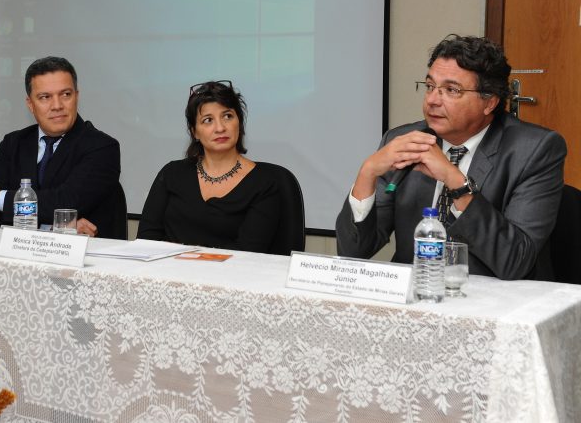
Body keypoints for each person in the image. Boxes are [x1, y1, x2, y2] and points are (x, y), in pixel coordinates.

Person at [336, 34, 566, 280]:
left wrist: (453, 180)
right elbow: (353, 252)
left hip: (491, 302)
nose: (433, 100)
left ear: (489, 102)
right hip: (416, 296)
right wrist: (367, 172)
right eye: (430, 86)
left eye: (451, 90)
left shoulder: (534, 150)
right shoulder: (404, 141)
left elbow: (515, 262)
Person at [0, 56, 121, 237]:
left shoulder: (102, 147)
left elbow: (66, 201)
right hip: (19, 255)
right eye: (45, 97)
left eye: (66, 95)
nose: (57, 106)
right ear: (30, 104)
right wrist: (52, 227)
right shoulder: (13, 143)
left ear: (76, 97)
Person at [137, 81, 281, 252]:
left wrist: (185, 252)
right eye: (208, 120)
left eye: (227, 116)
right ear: (194, 132)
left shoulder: (264, 183)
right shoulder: (171, 174)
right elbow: (146, 241)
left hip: (230, 277)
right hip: (169, 274)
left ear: (239, 122)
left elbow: (248, 253)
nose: (220, 128)